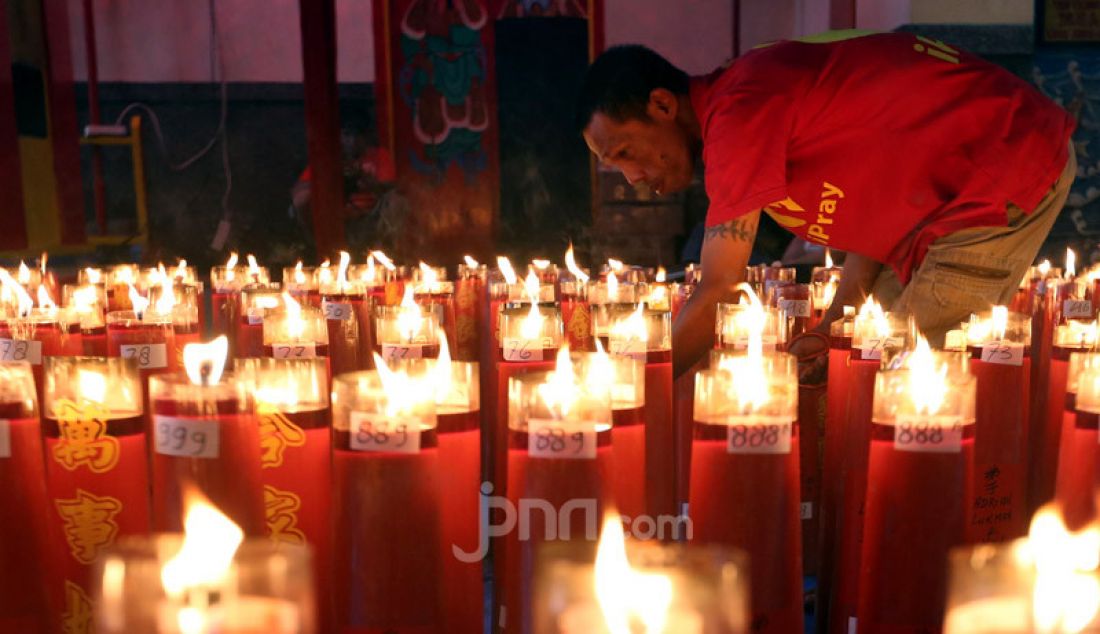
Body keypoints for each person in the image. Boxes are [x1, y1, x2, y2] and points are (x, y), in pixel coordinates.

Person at [576, 33, 1077, 377]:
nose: (634, 177)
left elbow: (720, 287)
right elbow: (870, 208)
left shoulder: (739, 112)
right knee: (857, 349)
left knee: (894, 373)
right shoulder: (744, 104)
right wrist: (836, 318)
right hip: (950, 197)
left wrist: (631, 396)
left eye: (624, 153)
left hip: (1004, 165)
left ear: (662, 106)